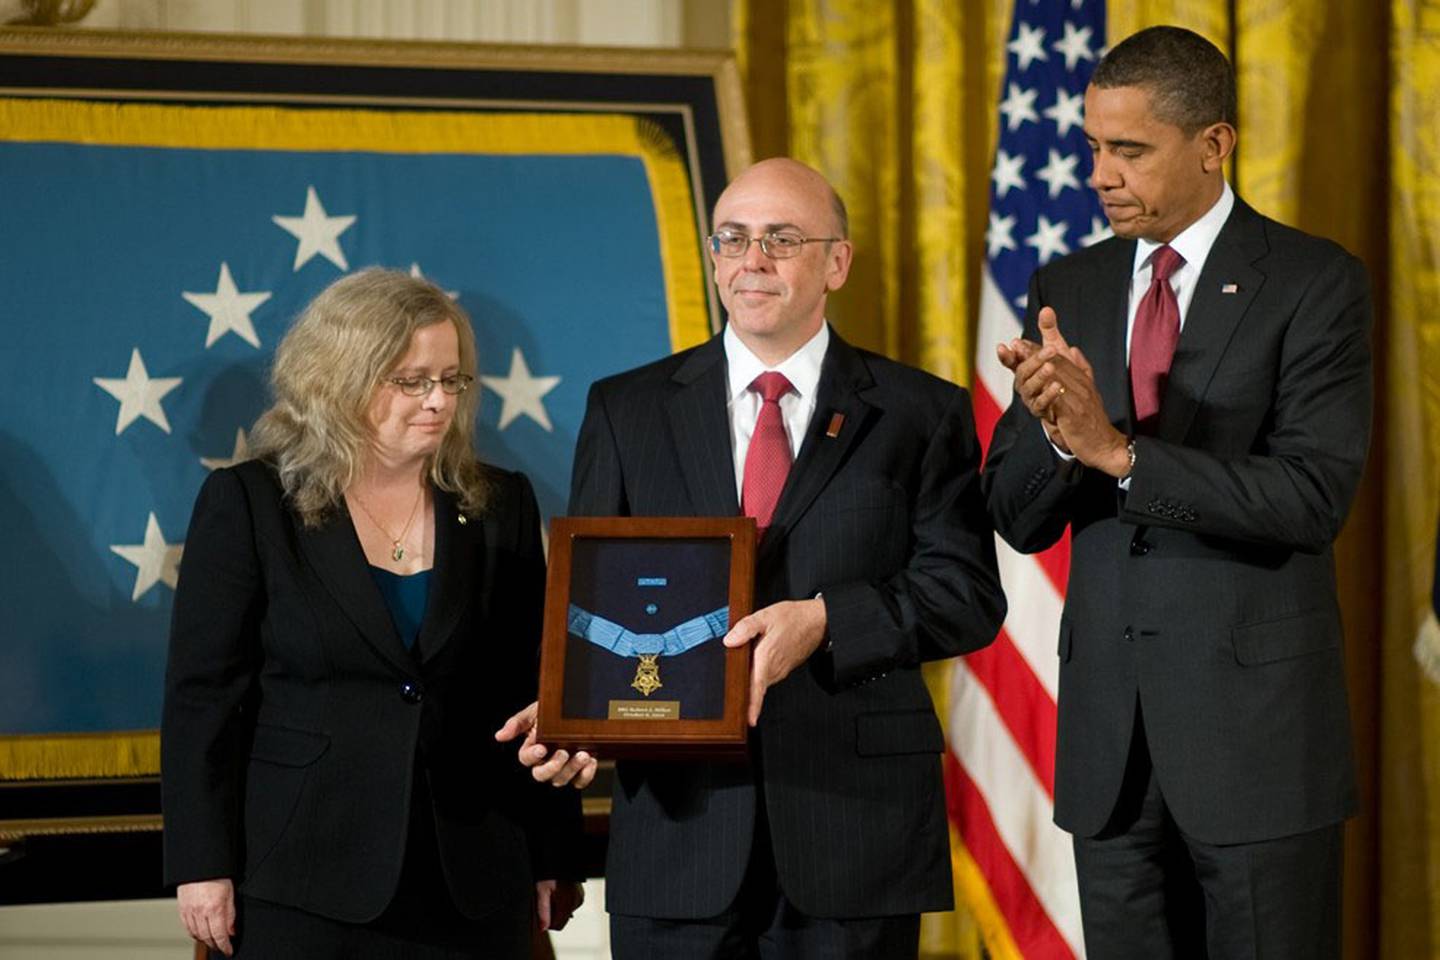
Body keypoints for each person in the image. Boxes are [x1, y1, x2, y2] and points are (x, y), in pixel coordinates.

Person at [497, 157, 1006, 959]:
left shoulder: (921, 412)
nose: (752, 260)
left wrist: (828, 619)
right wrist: (575, 708)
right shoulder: (625, 408)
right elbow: (592, 600)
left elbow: (967, 593)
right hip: (678, 832)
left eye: (780, 239)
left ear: (836, 261)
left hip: (852, 830)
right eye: (732, 240)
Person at [982, 26, 1372, 959]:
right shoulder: (1067, 285)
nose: (1102, 175)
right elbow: (1015, 513)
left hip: (1257, 749)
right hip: (1110, 750)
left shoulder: (1313, 282)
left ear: (1213, 144)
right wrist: (1050, 430)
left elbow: (1311, 498)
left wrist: (1119, 456)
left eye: (1130, 150)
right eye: (1092, 149)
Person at [161, 269, 583, 958]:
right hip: (303, 878)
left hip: (475, 875)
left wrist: (552, 852)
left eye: (451, 380)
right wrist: (200, 865)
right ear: (340, 379)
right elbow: (202, 699)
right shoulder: (250, 503)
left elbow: (533, 686)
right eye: (411, 380)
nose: (438, 401)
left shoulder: (501, 504)